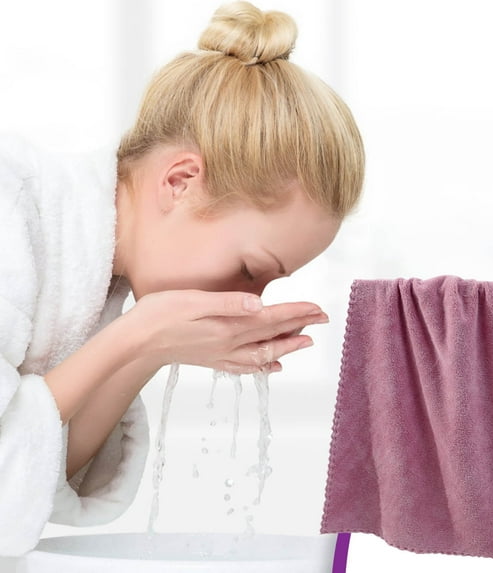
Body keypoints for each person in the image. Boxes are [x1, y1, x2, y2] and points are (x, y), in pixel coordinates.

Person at [0, 1, 364, 556]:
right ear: (180, 182)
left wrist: (150, 344)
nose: (249, 302)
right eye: (250, 269)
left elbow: (27, 483)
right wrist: (138, 334)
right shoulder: (9, 206)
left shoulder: (95, 281)